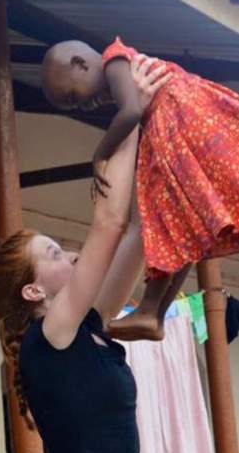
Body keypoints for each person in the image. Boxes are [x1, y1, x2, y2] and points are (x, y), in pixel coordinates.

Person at [0, 54, 168, 453]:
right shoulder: (50, 336)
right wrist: (130, 115)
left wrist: (153, 129)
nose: (70, 254)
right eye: (53, 253)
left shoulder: (83, 328)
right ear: (34, 292)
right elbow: (107, 222)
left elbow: (136, 232)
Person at [40, 37, 239, 341]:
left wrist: (101, 154)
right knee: (182, 225)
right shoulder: (121, 67)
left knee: (167, 216)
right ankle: (153, 314)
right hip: (181, 119)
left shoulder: (114, 60)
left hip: (180, 121)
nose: (81, 105)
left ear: (80, 64)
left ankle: (150, 310)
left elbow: (131, 112)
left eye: (72, 96)